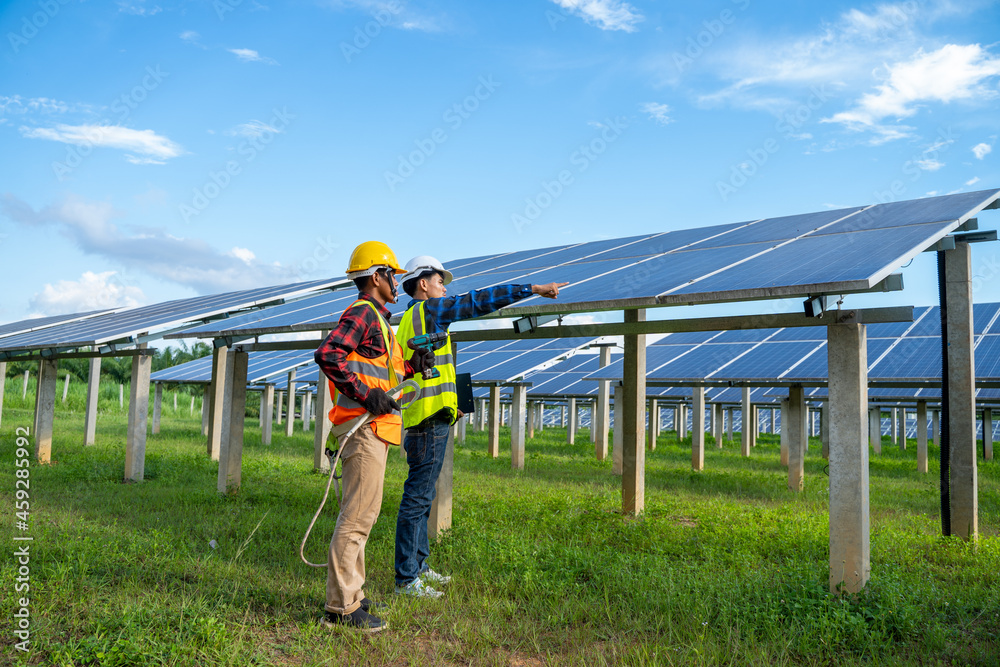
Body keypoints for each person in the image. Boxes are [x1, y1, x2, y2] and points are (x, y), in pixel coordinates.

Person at [393, 254, 567, 598]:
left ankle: (420, 568)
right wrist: (532, 289)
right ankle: (406, 580)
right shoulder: (429, 310)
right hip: (427, 421)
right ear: (423, 284)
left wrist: (452, 403)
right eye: (440, 281)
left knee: (424, 497)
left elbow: (428, 371)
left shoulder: (414, 319)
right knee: (416, 499)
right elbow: (477, 302)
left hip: (430, 416)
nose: (445, 287)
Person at [313, 241, 435, 632]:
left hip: (373, 429)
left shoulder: (379, 322)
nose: (397, 282)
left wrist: (414, 365)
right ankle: (342, 608)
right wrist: (368, 396)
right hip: (363, 428)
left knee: (364, 514)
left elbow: (387, 377)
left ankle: (353, 594)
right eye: (393, 275)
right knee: (356, 517)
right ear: (377, 277)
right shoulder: (364, 313)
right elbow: (329, 354)